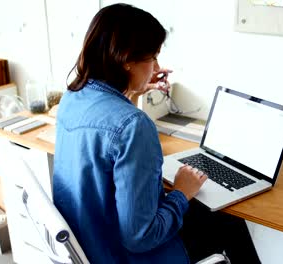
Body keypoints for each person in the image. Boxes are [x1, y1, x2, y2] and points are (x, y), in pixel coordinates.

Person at [53, 3, 260, 264]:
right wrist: (182, 192)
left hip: (92, 240)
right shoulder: (134, 126)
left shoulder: (73, 97)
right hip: (125, 255)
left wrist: (131, 90)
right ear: (127, 60)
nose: (156, 66)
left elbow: (109, 132)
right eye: (153, 57)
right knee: (228, 221)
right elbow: (140, 237)